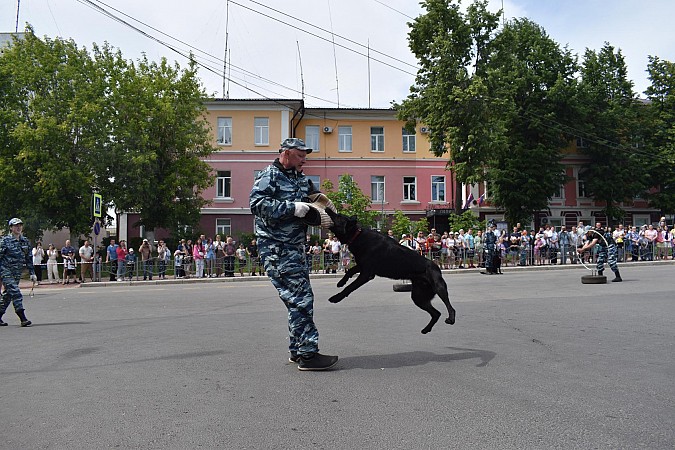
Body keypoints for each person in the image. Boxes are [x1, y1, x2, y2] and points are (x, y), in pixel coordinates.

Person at [249, 137, 338, 371]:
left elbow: (314, 200)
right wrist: (293, 208)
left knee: (295, 299)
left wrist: (325, 207)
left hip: (294, 248)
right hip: (276, 249)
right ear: (286, 154)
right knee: (301, 299)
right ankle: (308, 355)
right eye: (300, 156)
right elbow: (257, 205)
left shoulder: (300, 178)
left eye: (305, 156)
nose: (304, 161)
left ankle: (297, 351)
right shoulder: (269, 176)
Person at [0, 218, 36, 327]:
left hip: (17, 272)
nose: (18, 227)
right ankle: (22, 317)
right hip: (5, 270)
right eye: (16, 226)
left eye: (20, 225)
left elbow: (29, 258)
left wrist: (32, 273)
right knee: (16, 292)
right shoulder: (4, 241)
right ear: (11, 228)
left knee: (7, 295)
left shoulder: (25, 241)